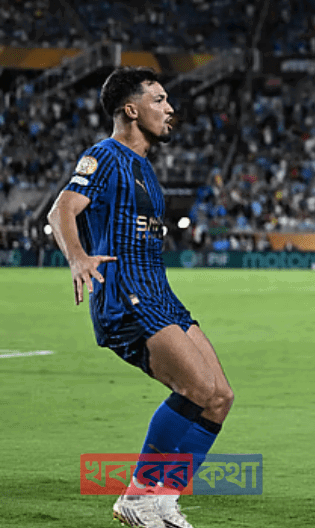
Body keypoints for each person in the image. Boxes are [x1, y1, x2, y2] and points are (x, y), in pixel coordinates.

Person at [46, 66, 234, 528]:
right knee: (195, 388)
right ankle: (136, 496)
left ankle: (164, 499)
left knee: (219, 397)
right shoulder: (105, 155)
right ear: (131, 110)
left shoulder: (145, 167)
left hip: (160, 294)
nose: (170, 109)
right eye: (159, 100)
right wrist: (77, 258)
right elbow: (61, 209)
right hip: (127, 294)